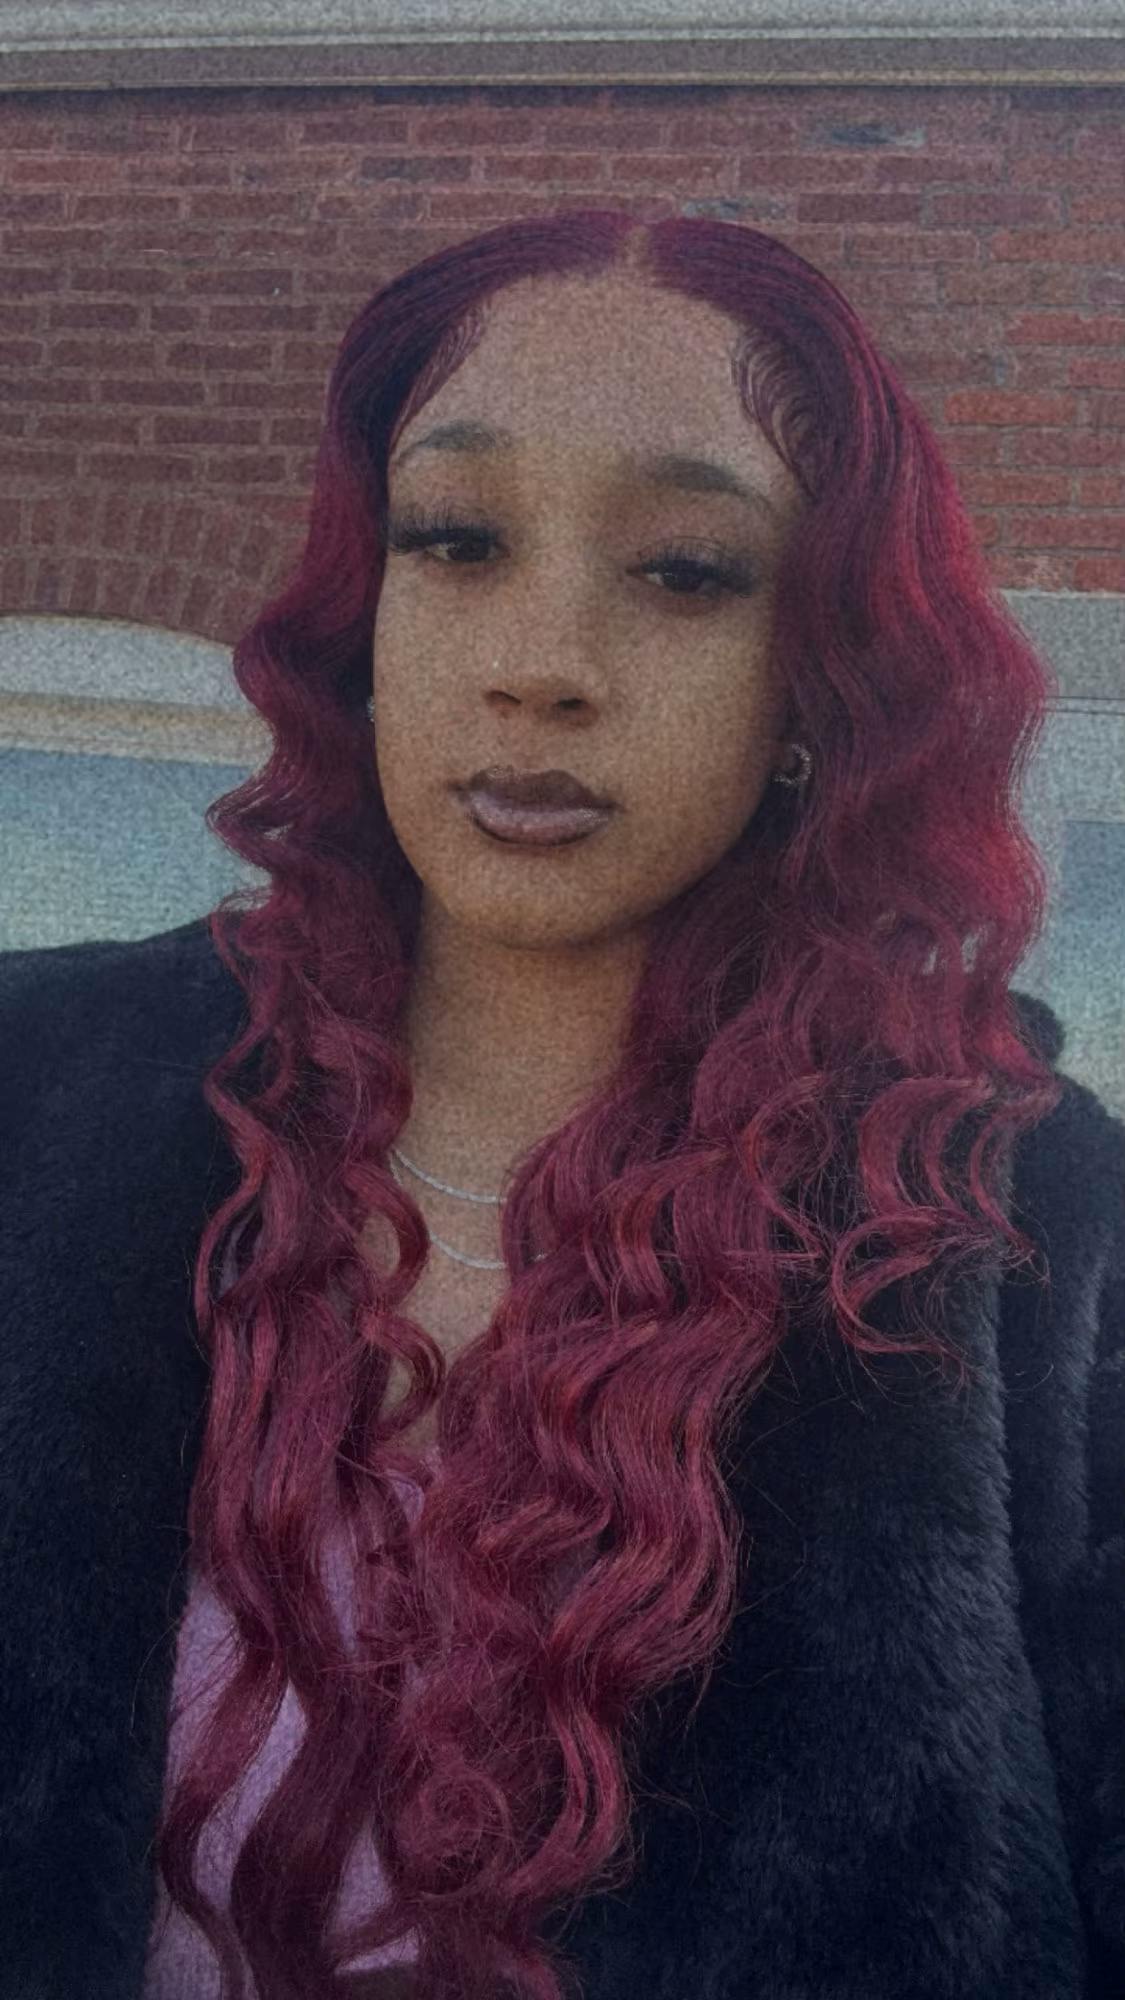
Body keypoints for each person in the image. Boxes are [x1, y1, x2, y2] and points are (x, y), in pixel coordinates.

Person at [0, 209, 1121, 2000]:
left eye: (684, 571)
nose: (540, 663)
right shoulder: (39, 1091)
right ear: (369, 618)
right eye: (457, 540)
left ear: (816, 678)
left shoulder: (1032, 1226)